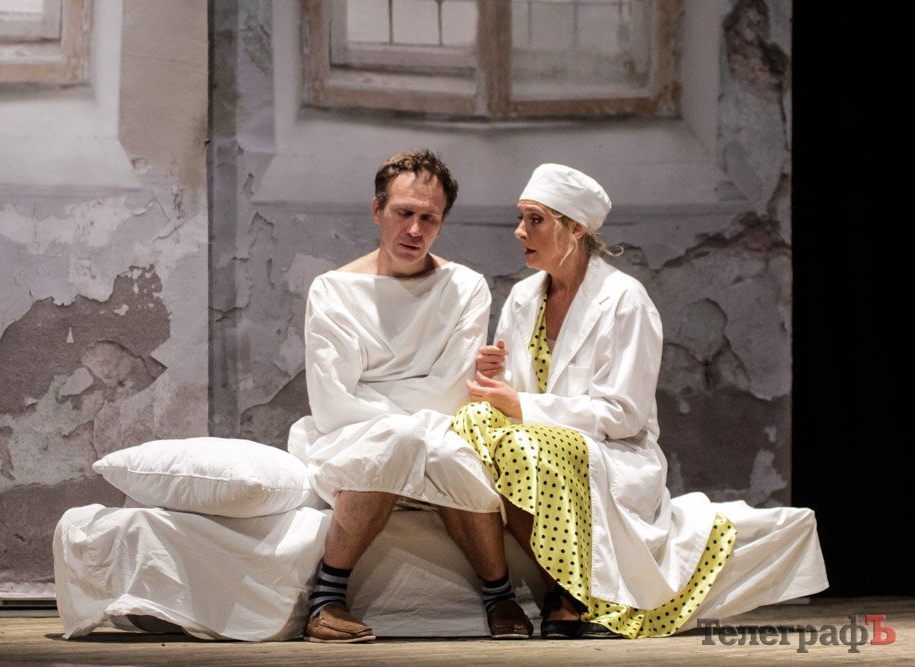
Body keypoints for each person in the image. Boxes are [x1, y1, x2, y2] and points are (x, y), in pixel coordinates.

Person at [451, 163, 827, 639]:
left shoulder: (625, 300)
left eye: (536, 219)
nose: (520, 231)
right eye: (521, 218)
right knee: (473, 420)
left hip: (610, 451)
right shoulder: (525, 297)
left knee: (520, 447)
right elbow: (520, 389)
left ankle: (574, 598)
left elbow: (623, 415)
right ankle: (551, 592)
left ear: (576, 229)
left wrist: (522, 407)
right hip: (540, 445)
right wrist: (496, 378)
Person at [288, 150, 533, 643]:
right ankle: (326, 600)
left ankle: (499, 595)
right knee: (400, 440)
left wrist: (380, 389)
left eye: (429, 218)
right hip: (350, 432)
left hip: (438, 429)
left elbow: (450, 394)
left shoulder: (465, 287)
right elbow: (334, 401)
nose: (415, 230)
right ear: (377, 210)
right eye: (404, 213)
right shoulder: (333, 291)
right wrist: (412, 404)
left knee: (447, 450)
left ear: (442, 223)